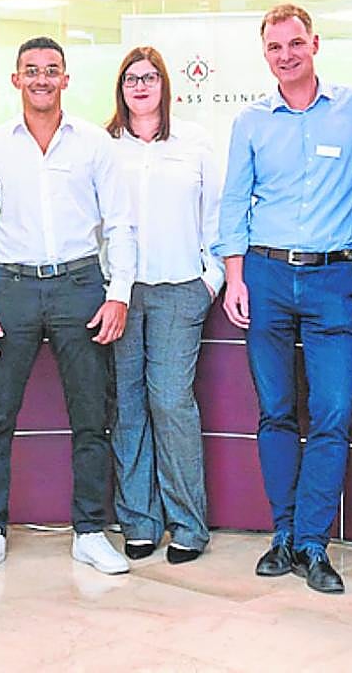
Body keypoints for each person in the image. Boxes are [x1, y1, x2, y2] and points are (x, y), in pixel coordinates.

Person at [214, 3, 352, 594]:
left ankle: (313, 542)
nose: (286, 55)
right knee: (274, 410)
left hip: (332, 280)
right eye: (275, 47)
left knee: (333, 411)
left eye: (295, 43)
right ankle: (283, 533)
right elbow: (233, 201)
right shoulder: (251, 121)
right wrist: (235, 276)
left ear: (315, 44)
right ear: (265, 54)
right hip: (266, 276)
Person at [0, 37, 136, 577]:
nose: (41, 78)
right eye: (31, 70)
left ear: (66, 78)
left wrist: (119, 292)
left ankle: (90, 532)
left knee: (91, 416)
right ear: (16, 79)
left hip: (80, 284)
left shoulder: (94, 144)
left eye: (51, 70)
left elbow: (120, 223)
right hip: (11, 286)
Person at [106, 47, 222, 564]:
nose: (141, 85)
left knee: (171, 402)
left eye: (150, 77)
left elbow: (215, 213)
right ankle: (139, 520)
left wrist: (211, 280)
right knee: (127, 405)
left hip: (180, 289)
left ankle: (188, 525)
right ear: (121, 88)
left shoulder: (194, 142)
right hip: (121, 293)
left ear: (165, 85)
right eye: (132, 78)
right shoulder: (105, 146)